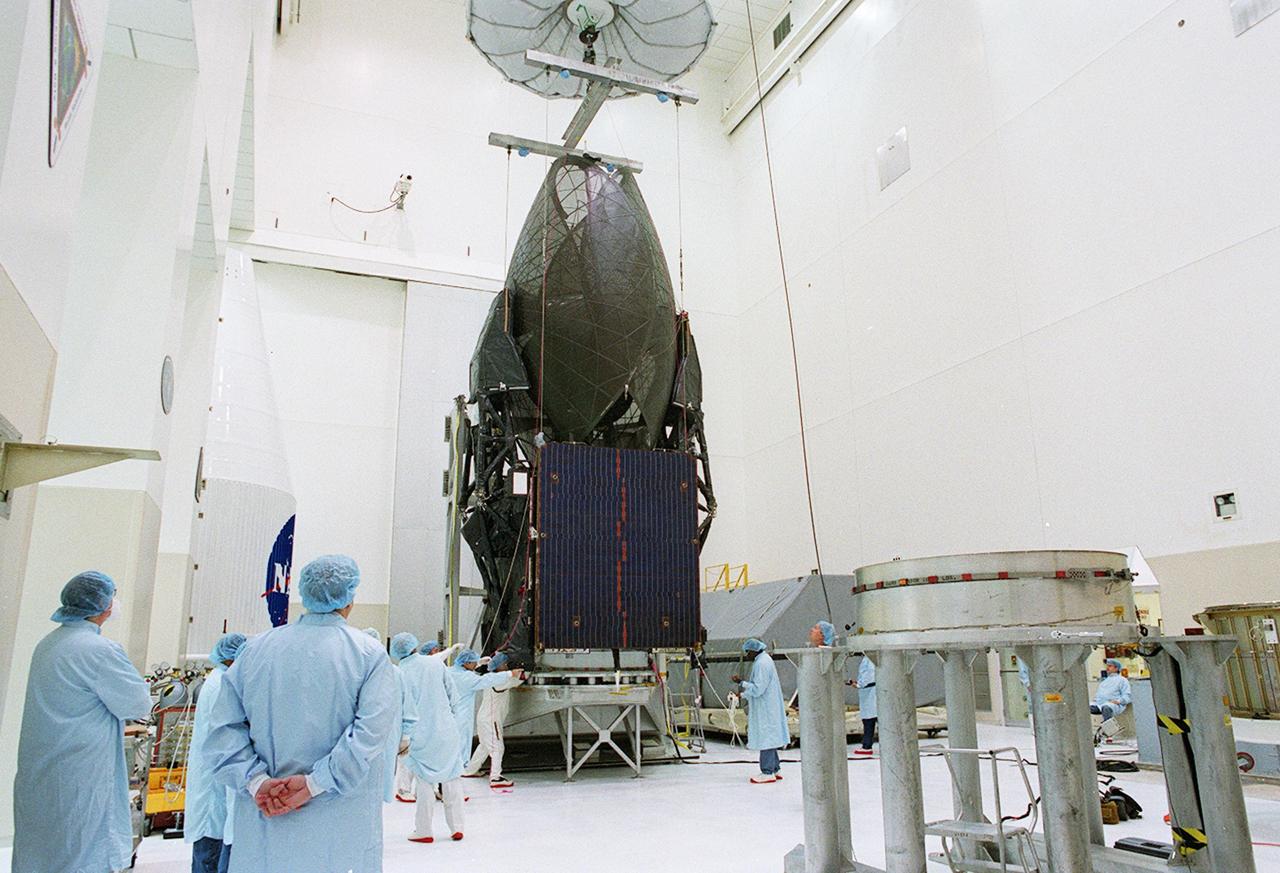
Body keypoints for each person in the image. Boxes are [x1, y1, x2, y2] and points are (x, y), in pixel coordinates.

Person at [207, 555, 398, 873]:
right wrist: (313, 784)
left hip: (267, 817)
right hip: (339, 823)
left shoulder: (256, 650)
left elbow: (223, 729)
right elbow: (369, 734)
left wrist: (257, 782)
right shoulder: (368, 655)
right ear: (349, 598)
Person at [12, 571, 154, 873]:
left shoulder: (48, 644)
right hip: (82, 775)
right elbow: (138, 703)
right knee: (84, 855)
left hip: (44, 772)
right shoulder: (99, 650)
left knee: (45, 854)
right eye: (112, 595)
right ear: (102, 605)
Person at [186, 632, 248, 873]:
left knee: (217, 844)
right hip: (215, 783)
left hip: (218, 778)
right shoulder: (222, 683)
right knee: (211, 848)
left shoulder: (221, 679)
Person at [401, 641, 462, 844]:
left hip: (420, 733)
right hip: (446, 729)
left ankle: (424, 830)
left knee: (424, 781)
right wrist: (451, 718)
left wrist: (402, 735)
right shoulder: (435, 664)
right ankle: (457, 828)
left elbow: (401, 706)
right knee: (452, 778)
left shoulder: (402, 671)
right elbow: (453, 694)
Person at [462, 652, 523, 788]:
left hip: (484, 718)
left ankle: (469, 770)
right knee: (497, 748)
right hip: (491, 720)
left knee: (484, 746)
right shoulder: (499, 681)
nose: (506, 666)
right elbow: (518, 681)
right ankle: (495, 778)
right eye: (505, 664)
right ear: (499, 666)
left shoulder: (491, 678)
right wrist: (526, 672)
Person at [732, 638, 788, 783]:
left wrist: (741, 683)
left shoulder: (762, 663)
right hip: (768, 706)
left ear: (753, 650)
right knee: (771, 737)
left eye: (747, 652)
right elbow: (759, 687)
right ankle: (775, 768)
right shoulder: (764, 660)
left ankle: (767, 772)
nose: (747, 655)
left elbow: (758, 689)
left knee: (766, 738)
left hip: (765, 709)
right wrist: (743, 694)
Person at [389, 632, 420, 802]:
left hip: (407, 721)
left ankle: (406, 789)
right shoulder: (401, 671)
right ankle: (404, 788)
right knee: (409, 758)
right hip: (414, 720)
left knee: (408, 757)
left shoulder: (400, 669)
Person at [852, 656, 877, 757]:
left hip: (870, 692)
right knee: (870, 720)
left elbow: (869, 675)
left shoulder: (870, 657)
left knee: (869, 721)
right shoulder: (869, 657)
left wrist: (859, 684)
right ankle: (867, 745)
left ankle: (867, 746)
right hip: (869, 691)